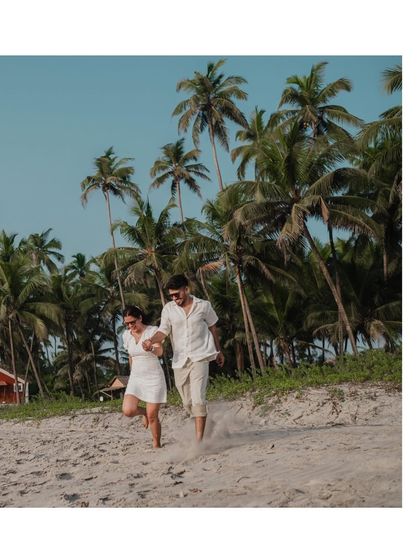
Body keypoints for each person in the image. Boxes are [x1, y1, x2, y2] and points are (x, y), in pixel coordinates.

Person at [142, 274, 224, 441]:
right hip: (180, 360)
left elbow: (213, 328)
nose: (174, 298)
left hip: (200, 356)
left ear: (186, 289)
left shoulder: (204, 306)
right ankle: (207, 422)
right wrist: (151, 340)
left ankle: (199, 442)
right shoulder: (169, 309)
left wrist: (218, 351)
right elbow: (163, 331)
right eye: (171, 295)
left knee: (198, 398)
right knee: (188, 403)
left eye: (177, 294)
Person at [121, 305, 166, 448]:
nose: (130, 326)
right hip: (136, 377)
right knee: (128, 410)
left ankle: (156, 445)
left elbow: (160, 352)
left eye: (132, 322)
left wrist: (151, 347)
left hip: (153, 377)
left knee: (153, 415)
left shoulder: (152, 331)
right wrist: (132, 373)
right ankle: (143, 413)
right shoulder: (126, 335)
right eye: (126, 323)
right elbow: (130, 355)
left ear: (140, 318)